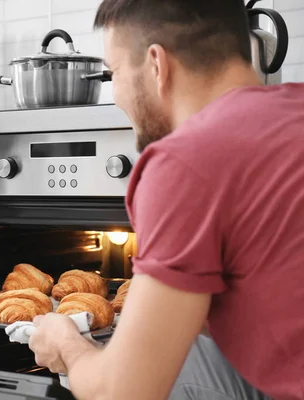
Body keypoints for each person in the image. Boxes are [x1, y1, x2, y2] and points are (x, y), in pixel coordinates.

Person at [28, 0, 304, 399]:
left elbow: (122, 394)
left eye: (115, 73)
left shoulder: (186, 160)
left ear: (157, 65)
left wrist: (67, 346)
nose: (118, 95)